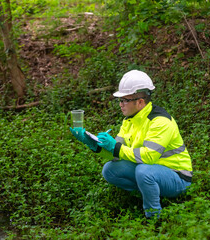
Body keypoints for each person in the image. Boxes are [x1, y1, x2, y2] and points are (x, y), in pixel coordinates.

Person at [70, 70, 193, 218]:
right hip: (152, 171)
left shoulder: (160, 121)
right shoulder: (129, 120)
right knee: (109, 169)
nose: (120, 104)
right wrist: (94, 145)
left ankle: (154, 217)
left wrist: (116, 147)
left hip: (177, 177)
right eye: (120, 100)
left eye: (124, 100)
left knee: (143, 171)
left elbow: (148, 157)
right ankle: (149, 192)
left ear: (140, 102)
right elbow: (115, 155)